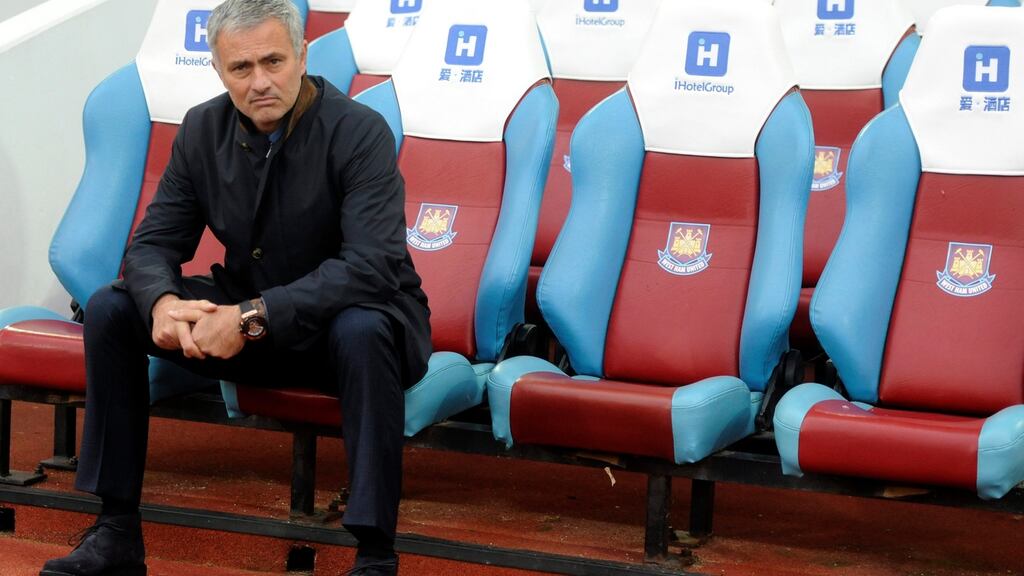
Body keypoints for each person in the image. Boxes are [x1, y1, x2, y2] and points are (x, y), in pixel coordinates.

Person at [40, 0, 430, 574]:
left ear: (302, 55)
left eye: (273, 61)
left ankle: (375, 555)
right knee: (111, 308)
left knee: (363, 326)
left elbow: (369, 268)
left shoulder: (359, 131)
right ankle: (115, 529)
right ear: (219, 71)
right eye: (241, 68)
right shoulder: (202, 128)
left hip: (353, 327)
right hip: (250, 323)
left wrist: (250, 315)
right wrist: (165, 303)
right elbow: (151, 245)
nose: (260, 81)